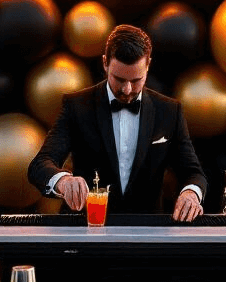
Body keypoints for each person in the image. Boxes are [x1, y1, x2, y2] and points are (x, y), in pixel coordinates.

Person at [27, 25, 206, 220]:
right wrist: (63, 180)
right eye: (119, 79)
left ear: (148, 66)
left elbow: (193, 173)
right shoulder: (76, 106)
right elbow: (40, 164)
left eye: (136, 80)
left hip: (147, 234)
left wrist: (191, 193)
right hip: (85, 232)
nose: (127, 89)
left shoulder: (169, 111)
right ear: (105, 63)